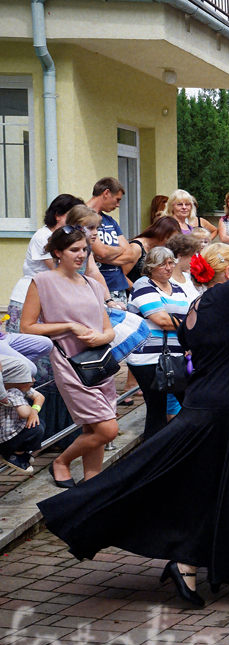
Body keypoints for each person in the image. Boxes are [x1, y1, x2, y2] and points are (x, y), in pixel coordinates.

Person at [37, 201, 229, 607]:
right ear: (228, 273)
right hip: (223, 415)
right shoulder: (225, 298)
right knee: (202, 490)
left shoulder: (202, 307)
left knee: (228, 491)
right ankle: (186, 562)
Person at [20, 225, 119, 488]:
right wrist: (69, 326)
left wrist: (102, 337)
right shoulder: (42, 282)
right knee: (108, 429)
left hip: (98, 363)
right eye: (74, 249)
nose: (81, 254)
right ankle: (61, 462)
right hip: (68, 362)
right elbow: (27, 327)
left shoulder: (93, 285)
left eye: (85, 249)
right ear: (57, 252)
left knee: (93, 427)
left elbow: (108, 328)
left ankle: (91, 482)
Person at [125, 247, 189, 439]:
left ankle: (166, 448)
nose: (168, 268)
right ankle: (153, 455)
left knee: (187, 403)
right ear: (151, 266)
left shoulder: (177, 288)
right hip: (147, 357)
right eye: (163, 264)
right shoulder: (143, 284)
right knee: (156, 407)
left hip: (174, 355)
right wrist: (187, 325)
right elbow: (161, 319)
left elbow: (181, 319)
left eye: (171, 263)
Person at [7, 194, 89, 331]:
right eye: (72, 216)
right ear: (58, 215)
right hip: (27, 298)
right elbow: (58, 269)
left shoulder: (67, 238)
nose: (76, 223)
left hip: (47, 299)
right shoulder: (43, 236)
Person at [87, 178, 139, 304]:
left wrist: (104, 257)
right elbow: (102, 251)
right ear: (106, 193)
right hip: (97, 287)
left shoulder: (110, 220)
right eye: (117, 199)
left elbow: (131, 254)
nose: (118, 205)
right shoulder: (83, 217)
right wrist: (113, 252)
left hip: (119, 286)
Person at [0, 368, 44, 475]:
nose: (34, 380)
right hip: (5, 438)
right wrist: (30, 410)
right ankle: (13, 455)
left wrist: (34, 411)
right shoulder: (13, 392)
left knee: (38, 422)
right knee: (36, 429)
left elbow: (40, 397)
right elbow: (24, 413)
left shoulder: (21, 387)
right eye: (29, 377)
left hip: (12, 430)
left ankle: (19, 452)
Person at [123, 215, 182, 284]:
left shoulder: (160, 248)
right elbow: (121, 275)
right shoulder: (137, 247)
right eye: (169, 239)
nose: (170, 243)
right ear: (161, 234)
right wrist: (135, 289)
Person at [165, 233, 205, 301]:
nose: (194, 259)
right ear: (180, 256)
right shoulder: (167, 280)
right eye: (192, 256)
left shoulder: (187, 276)